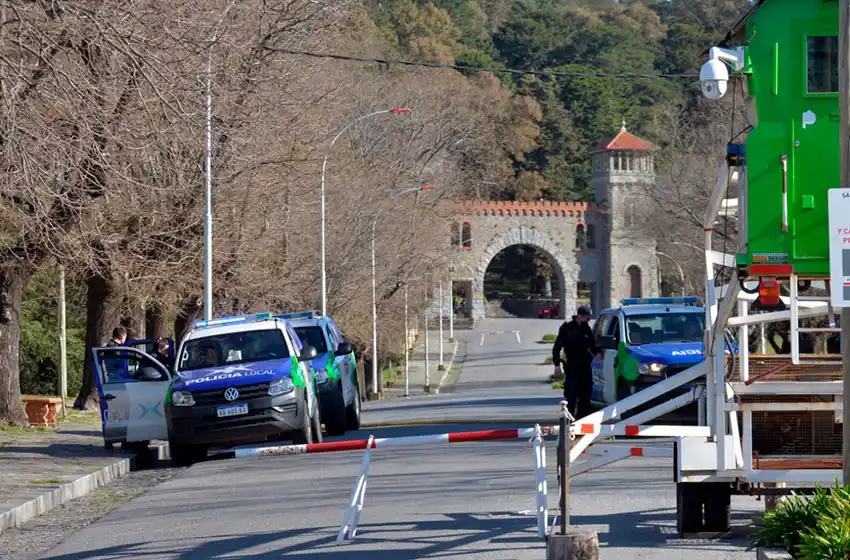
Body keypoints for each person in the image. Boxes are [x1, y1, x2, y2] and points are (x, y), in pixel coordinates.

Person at [552, 306, 601, 420]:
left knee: (586, 393)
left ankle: (582, 420)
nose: (588, 321)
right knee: (572, 394)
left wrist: (597, 353)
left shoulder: (586, 328)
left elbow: (591, 344)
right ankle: (569, 420)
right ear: (580, 316)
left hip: (585, 365)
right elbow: (557, 347)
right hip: (572, 366)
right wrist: (557, 365)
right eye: (587, 318)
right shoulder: (566, 328)